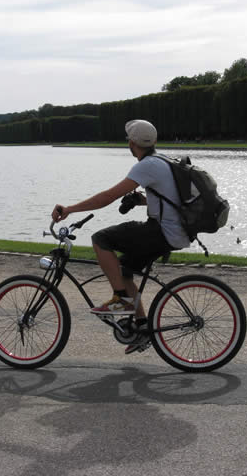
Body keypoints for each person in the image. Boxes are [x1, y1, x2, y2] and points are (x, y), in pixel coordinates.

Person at [51, 120, 190, 354]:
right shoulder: (162, 160)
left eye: (129, 140)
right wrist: (143, 200)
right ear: (154, 141)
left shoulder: (145, 166)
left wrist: (70, 209)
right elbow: (171, 199)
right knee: (124, 271)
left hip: (161, 231)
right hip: (173, 231)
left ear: (132, 143)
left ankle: (121, 300)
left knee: (101, 238)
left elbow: (107, 197)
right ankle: (141, 328)